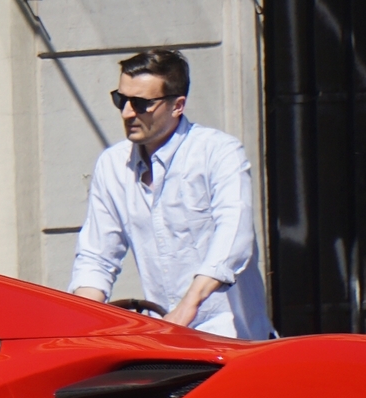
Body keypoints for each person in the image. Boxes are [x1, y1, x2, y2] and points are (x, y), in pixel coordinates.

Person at [68, 46, 272, 339]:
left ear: (178, 105)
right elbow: (97, 257)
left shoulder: (218, 152)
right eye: (121, 100)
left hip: (233, 338)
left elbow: (234, 237)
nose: (127, 112)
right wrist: (80, 324)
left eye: (140, 103)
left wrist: (189, 305)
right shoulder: (112, 164)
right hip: (166, 340)